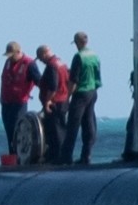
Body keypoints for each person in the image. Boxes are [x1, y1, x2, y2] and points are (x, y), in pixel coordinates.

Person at [0, 41, 41, 165]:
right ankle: (12, 156)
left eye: (12, 55)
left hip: (19, 103)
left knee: (18, 130)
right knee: (9, 131)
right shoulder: (8, 63)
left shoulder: (29, 64)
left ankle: (20, 157)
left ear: (18, 52)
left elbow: (39, 81)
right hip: (6, 102)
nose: (10, 58)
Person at [68, 33, 104, 165]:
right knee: (89, 123)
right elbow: (98, 75)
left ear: (77, 42)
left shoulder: (79, 57)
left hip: (80, 92)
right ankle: (86, 155)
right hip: (92, 91)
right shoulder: (94, 55)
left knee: (73, 124)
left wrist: (67, 97)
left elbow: (73, 80)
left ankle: (66, 156)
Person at [36, 45, 72, 165]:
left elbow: (53, 86)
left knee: (56, 130)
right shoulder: (60, 63)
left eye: (41, 58)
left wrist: (47, 102)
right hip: (63, 100)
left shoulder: (52, 66)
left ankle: (58, 156)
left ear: (45, 54)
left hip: (55, 102)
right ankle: (57, 154)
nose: (41, 61)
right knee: (59, 128)